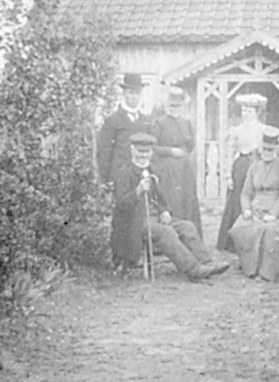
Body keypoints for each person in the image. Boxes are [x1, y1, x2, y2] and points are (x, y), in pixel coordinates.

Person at [113, 132, 230, 281]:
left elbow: (163, 198)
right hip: (135, 222)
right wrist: (138, 191)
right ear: (132, 150)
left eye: (147, 152)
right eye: (140, 152)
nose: (144, 156)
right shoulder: (124, 172)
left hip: (156, 219)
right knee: (166, 231)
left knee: (187, 226)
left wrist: (165, 211)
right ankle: (194, 269)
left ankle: (207, 263)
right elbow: (121, 205)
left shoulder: (154, 170)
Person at [96, 72, 151, 271]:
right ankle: (119, 258)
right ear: (124, 94)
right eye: (130, 93)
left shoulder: (145, 121)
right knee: (121, 216)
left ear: (141, 95)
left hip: (140, 172)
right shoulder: (113, 121)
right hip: (120, 174)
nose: (133, 97)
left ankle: (135, 256)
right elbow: (104, 151)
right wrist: (106, 178)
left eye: (136, 93)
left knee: (139, 214)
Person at [228, 126, 279, 282]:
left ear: (276, 150)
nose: (267, 153)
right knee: (239, 228)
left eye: (270, 150)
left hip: (278, 210)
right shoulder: (254, 167)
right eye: (264, 149)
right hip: (256, 209)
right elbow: (246, 193)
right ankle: (250, 267)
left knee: (270, 230)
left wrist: (274, 213)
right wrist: (246, 209)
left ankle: (267, 271)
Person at [216, 93, 267, 252]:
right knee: (238, 200)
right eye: (244, 110)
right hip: (241, 167)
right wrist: (228, 175)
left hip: (258, 165)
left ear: (256, 112)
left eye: (250, 111)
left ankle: (255, 239)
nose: (246, 114)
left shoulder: (263, 129)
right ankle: (233, 241)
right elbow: (229, 153)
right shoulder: (236, 130)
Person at [150, 86, 203, 238]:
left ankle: (191, 236)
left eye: (178, 106)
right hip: (168, 169)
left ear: (182, 107)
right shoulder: (159, 123)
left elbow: (191, 145)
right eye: (172, 106)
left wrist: (184, 153)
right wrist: (170, 151)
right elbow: (154, 147)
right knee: (173, 200)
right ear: (167, 106)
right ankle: (173, 236)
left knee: (187, 199)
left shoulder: (186, 123)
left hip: (185, 169)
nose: (175, 109)